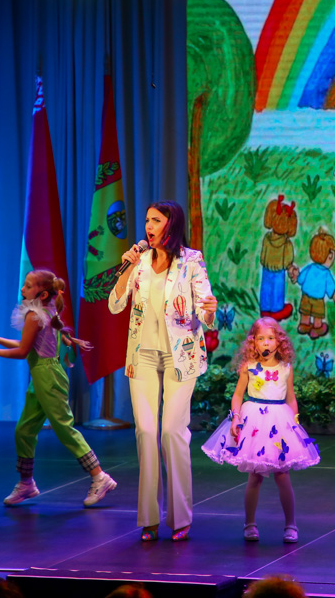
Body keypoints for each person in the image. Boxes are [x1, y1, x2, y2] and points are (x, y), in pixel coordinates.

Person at [109, 200, 218, 541]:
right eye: (147, 220)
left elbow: (206, 311)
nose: (148, 226)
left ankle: (180, 517)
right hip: (142, 355)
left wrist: (210, 310)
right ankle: (149, 518)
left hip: (179, 356)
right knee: (145, 432)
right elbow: (115, 305)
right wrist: (126, 267)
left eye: (155, 220)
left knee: (171, 431)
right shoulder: (140, 261)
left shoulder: (191, 261)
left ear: (171, 224)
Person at [0, 269, 116, 507]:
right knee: (24, 430)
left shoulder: (35, 315)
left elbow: (22, 352)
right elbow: (25, 343)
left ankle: (100, 477)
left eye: (28, 286)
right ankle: (26, 483)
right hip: (40, 377)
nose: (22, 289)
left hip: (48, 377)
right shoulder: (45, 311)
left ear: (43, 293)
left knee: (64, 429)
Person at [202, 318, 319, 543]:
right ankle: (249, 524)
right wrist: (236, 418)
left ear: (279, 341)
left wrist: (295, 424)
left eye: (271, 338)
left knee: (282, 475)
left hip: (279, 422)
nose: (266, 343)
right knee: (255, 476)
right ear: (253, 342)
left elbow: (291, 398)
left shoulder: (285, 368)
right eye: (261, 338)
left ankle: (291, 524)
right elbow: (238, 395)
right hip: (255, 423)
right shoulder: (249, 367)